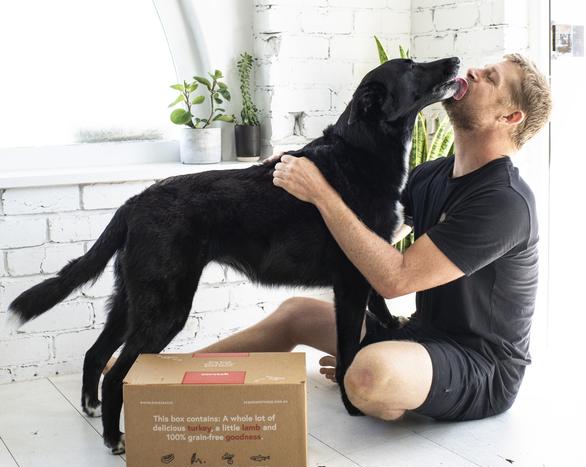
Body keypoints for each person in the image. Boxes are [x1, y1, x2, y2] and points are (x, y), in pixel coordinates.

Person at [106, 53, 552, 422]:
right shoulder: (431, 175)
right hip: (418, 335)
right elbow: (373, 236)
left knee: (368, 376)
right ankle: (160, 377)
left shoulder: (504, 201)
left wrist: (321, 192)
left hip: (480, 367)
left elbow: (395, 278)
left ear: (509, 116)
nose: (474, 71)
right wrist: (294, 173)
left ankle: (382, 379)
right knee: (296, 313)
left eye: (491, 78)